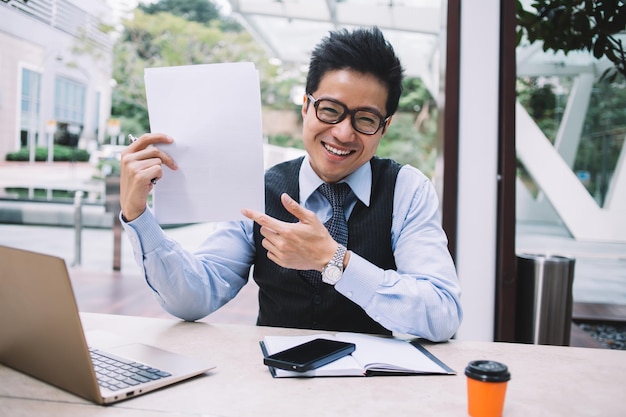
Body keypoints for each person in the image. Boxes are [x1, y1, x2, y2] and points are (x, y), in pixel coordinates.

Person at [119, 26, 462, 342]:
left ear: (384, 128)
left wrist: (335, 260)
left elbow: (442, 313)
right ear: (306, 106)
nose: (343, 133)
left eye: (366, 119)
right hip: (273, 387)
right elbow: (195, 297)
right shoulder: (257, 187)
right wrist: (138, 216)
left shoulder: (407, 189)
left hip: (370, 394)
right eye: (330, 110)